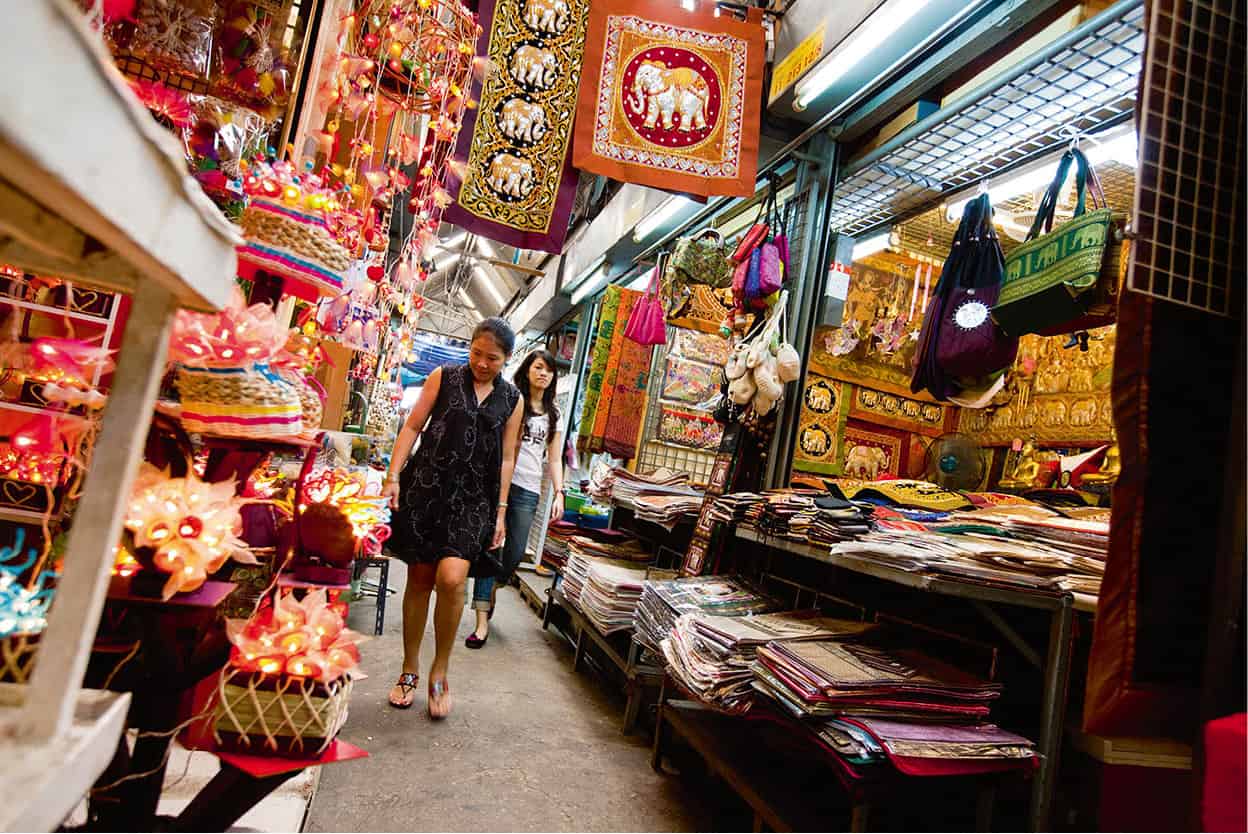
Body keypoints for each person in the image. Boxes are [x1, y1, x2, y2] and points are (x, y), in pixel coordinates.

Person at [382, 318, 523, 718]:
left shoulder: (512, 399)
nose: (481, 362)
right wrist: (394, 476)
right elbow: (412, 426)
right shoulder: (443, 377)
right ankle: (409, 668)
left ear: (506, 359)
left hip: (475, 500)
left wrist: (500, 510)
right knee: (421, 578)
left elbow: (508, 457)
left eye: (491, 358)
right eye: (476, 353)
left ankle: (439, 671)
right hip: (427, 489)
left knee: (452, 578)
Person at [465, 349, 563, 648]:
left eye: (549, 369)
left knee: (515, 553)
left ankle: (493, 585)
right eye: (538, 367)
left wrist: (559, 493)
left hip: (529, 489)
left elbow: (555, 459)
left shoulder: (554, 414)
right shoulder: (509, 401)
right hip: (499, 484)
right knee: (491, 550)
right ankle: (481, 622)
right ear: (527, 370)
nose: (543, 373)